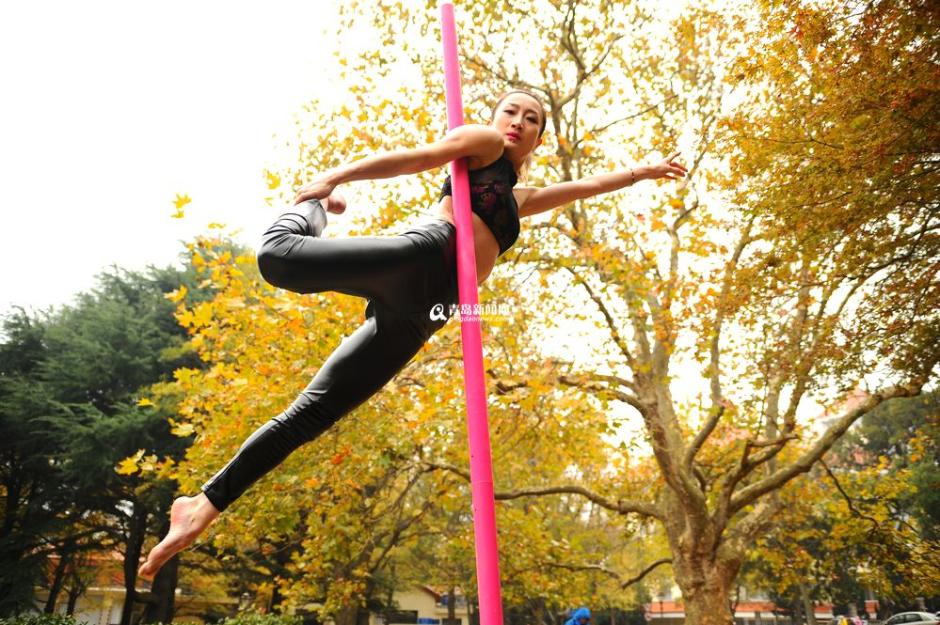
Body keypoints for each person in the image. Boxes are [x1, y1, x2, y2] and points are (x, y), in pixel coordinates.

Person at [138, 89, 687, 577]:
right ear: (494, 119)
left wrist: (644, 172)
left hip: (431, 309)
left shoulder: (519, 198)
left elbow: (588, 184)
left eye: (532, 119)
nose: (518, 121)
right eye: (509, 111)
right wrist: (337, 178)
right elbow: (415, 160)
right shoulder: (484, 146)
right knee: (278, 257)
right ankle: (314, 211)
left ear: (541, 138)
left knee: (313, 413)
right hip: (426, 253)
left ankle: (203, 506)